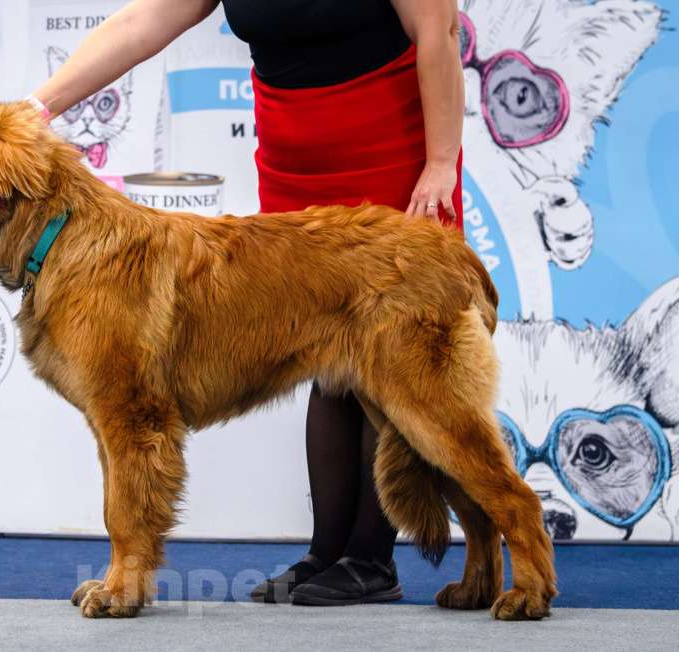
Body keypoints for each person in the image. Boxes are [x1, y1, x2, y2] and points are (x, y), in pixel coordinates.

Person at [29, 0, 464, 606]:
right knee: (323, 360)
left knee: (385, 359)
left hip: (391, 145)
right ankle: (327, 552)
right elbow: (142, 22)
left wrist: (442, 161)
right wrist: (37, 106)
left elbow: (438, 28)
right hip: (294, 160)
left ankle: (371, 559)